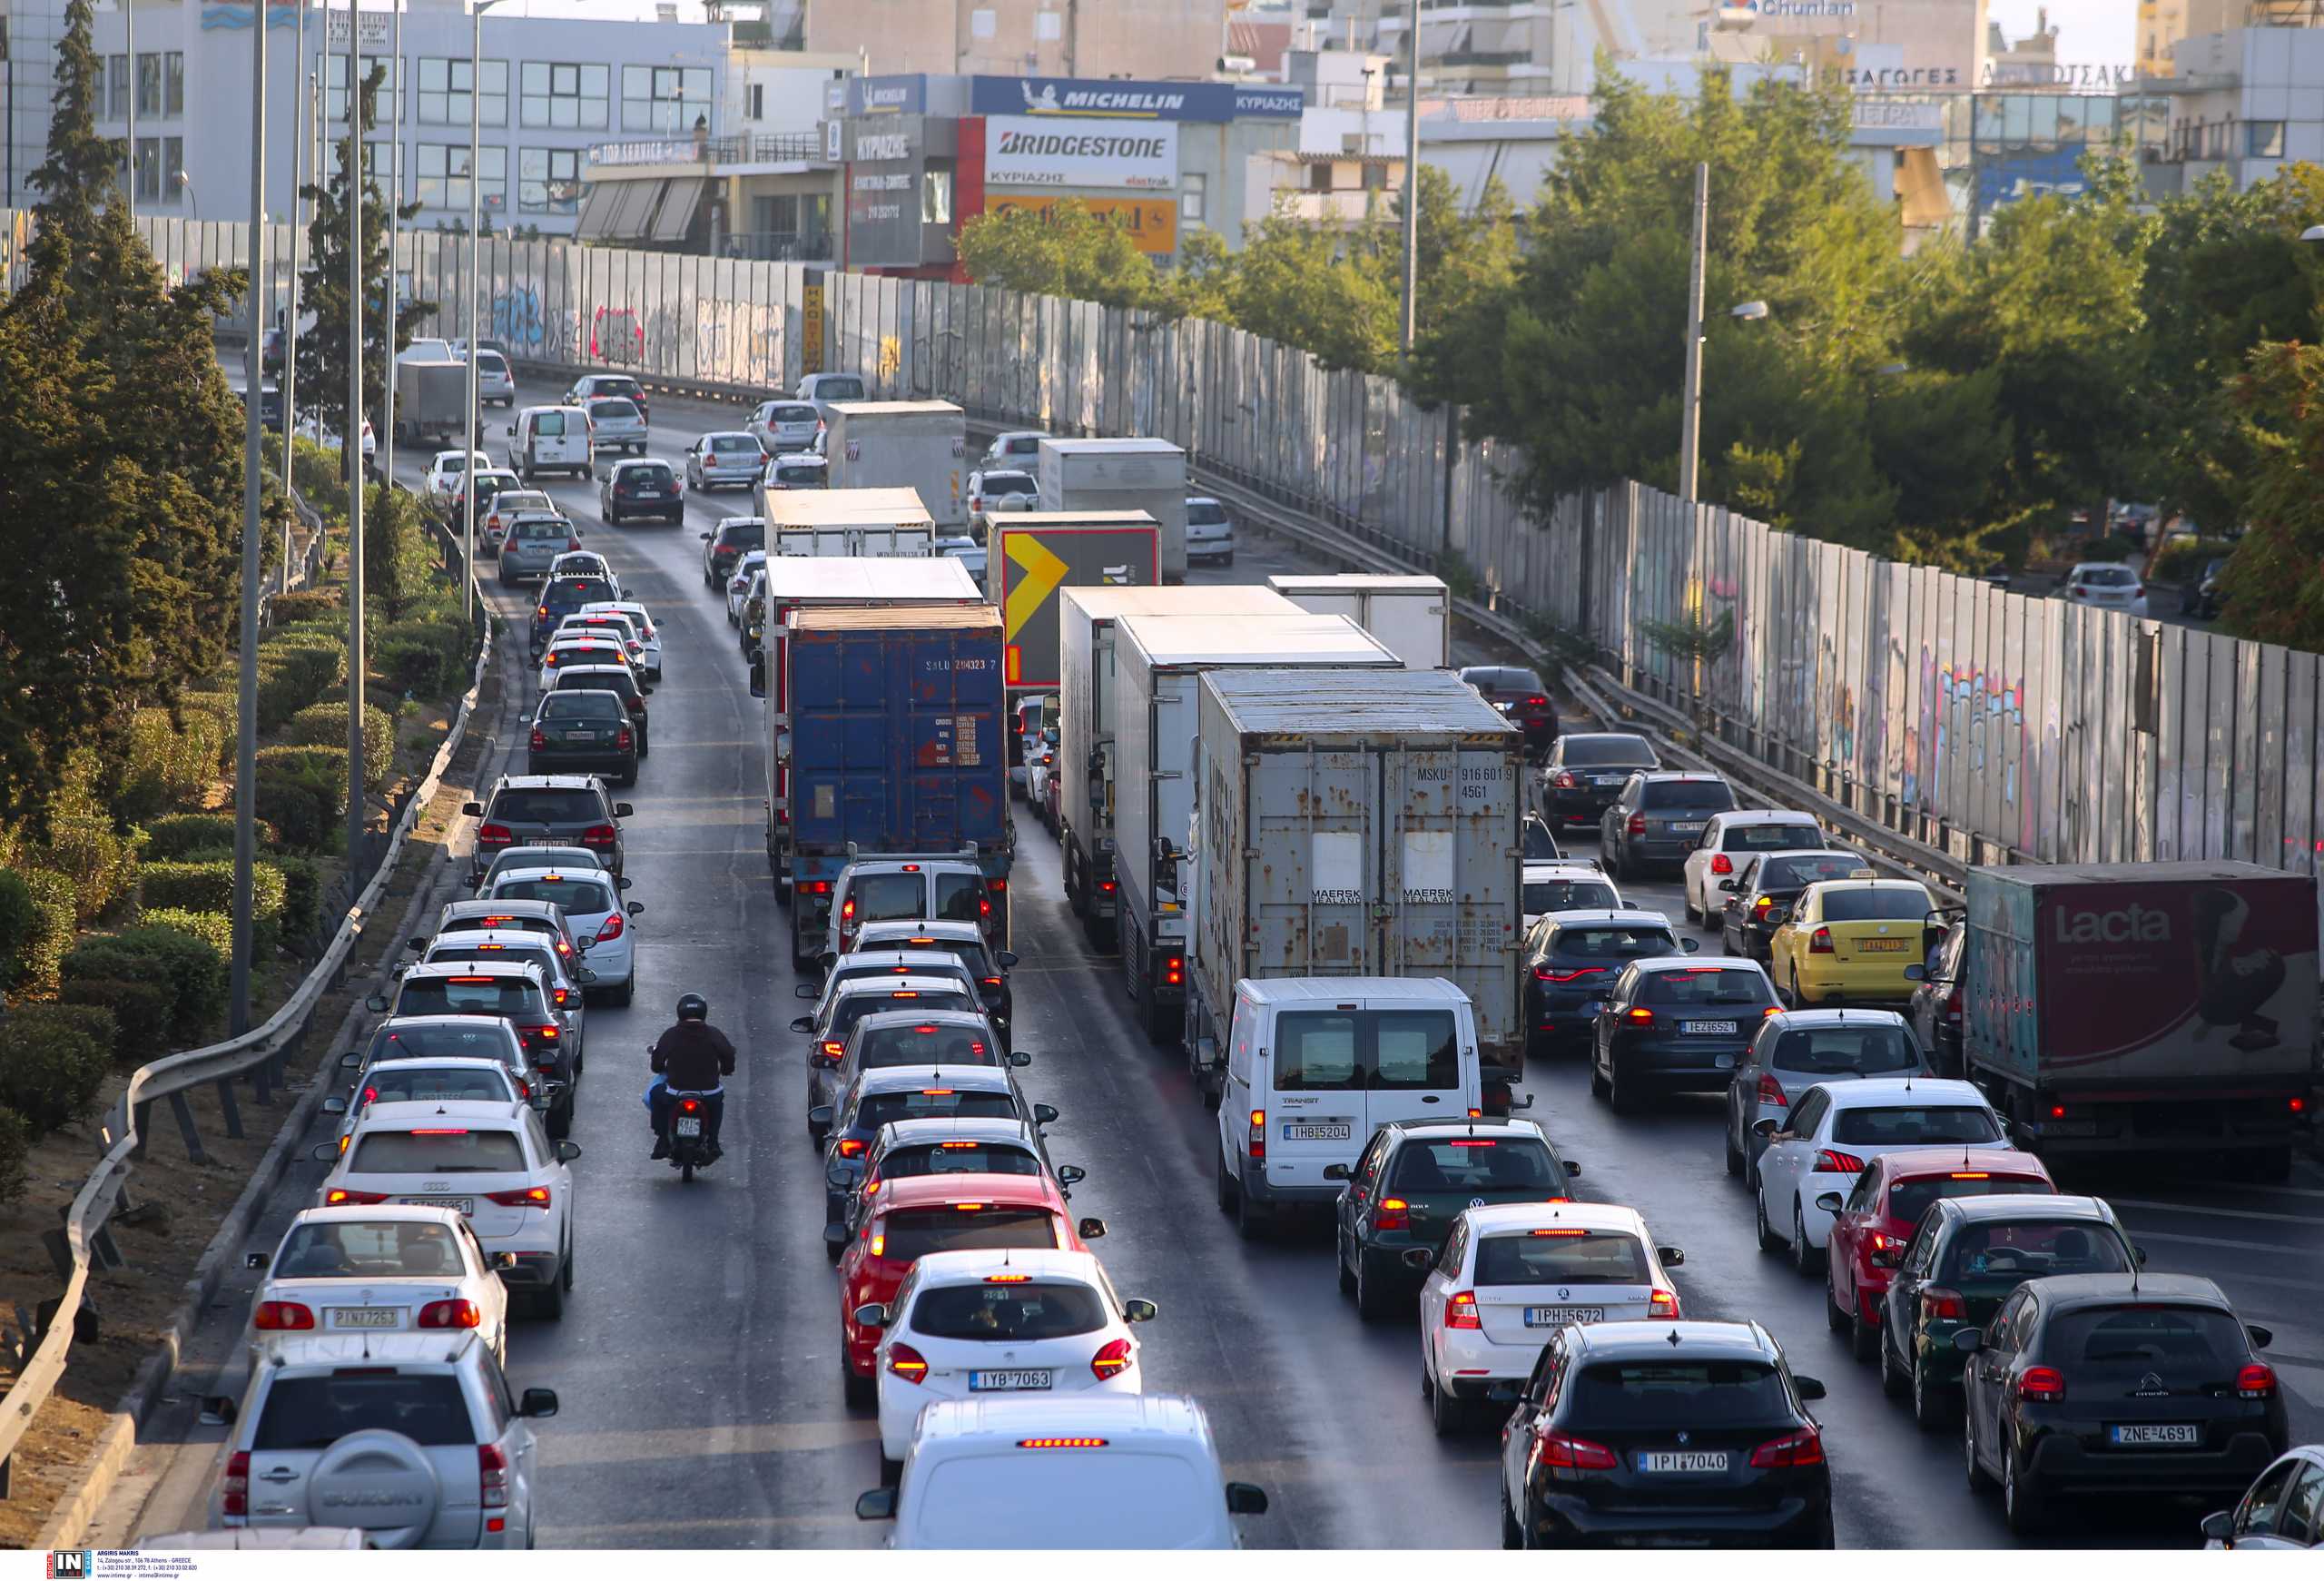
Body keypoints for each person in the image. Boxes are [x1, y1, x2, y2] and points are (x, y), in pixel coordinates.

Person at [650, 993, 736, 1160]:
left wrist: (660, 1067)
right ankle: (713, 1141)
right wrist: (727, 1070)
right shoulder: (714, 1034)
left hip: (675, 1093)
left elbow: (657, 1063)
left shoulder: (671, 1035)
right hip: (709, 1093)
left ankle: (662, 1139)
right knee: (717, 1104)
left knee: (655, 1094)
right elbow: (728, 1055)